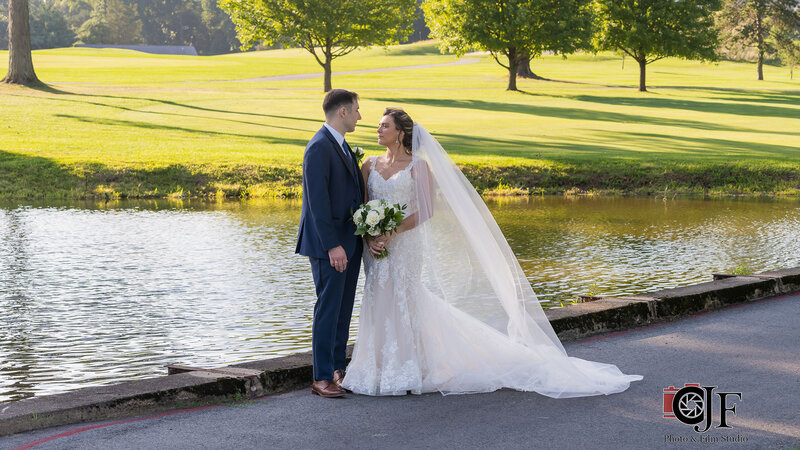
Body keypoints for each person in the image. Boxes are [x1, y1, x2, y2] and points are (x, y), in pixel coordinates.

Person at [341, 108, 643, 397]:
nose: (378, 129)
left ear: (401, 133)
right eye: (379, 125)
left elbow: (427, 210)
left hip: (405, 245)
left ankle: (409, 369)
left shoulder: (418, 166)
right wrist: (370, 238)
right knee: (377, 297)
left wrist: (392, 232)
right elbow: (365, 207)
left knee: (405, 297)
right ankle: (376, 368)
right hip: (376, 248)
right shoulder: (369, 164)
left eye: (384, 126)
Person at [295, 89, 364, 398]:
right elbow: (317, 203)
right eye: (357, 110)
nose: (360, 116)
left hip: (350, 244)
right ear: (342, 113)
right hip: (330, 246)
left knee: (342, 308)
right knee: (327, 308)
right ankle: (321, 376)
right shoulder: (319, 147)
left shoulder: (343, 147)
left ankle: (338, 370)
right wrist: (332, 245)